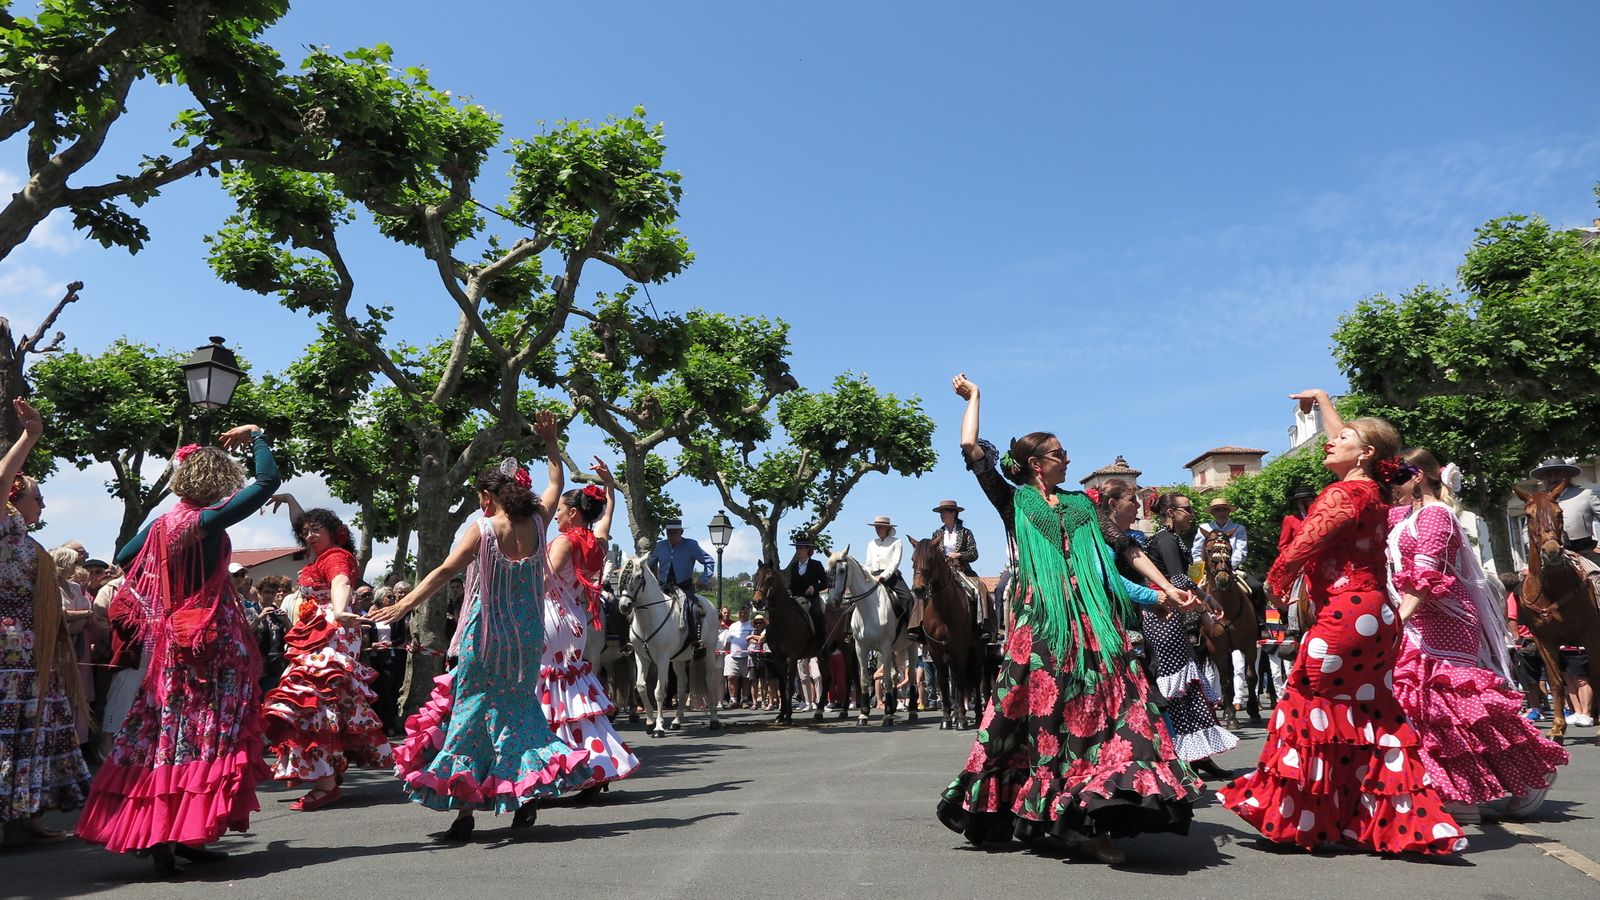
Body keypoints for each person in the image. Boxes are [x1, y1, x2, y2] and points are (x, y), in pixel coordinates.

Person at [937, 375, 1203, 865]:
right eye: (1059, 453)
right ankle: (1057, 816)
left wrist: (1168, 589)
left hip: (1094, 622)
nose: (1068, 459)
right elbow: (972, 447)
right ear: (1036, 464)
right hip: (1042, 624)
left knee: (1120, 706)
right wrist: (975, 397)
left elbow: (1125, 549)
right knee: (1042, 718)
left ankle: (1097, 812)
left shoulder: (1085, 505)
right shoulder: (1014, 499)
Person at [1217, 388, 1464, 854]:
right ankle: (1394, 823)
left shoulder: (1344, 492)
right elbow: (1355, 443)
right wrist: (1324, 402)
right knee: (1368, 714)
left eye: (1342, 438)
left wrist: (1276, 583)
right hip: (1377, 615)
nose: (1331, 441)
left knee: (1309, 706)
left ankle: (1300, 819)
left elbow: (1301, 546)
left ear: (1365, 454)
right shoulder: (1373, 488)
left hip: (1344, 615)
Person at [76, 424, 279, 874]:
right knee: (205, 736)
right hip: (210, 640)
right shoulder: (205, 521)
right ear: (218, 481)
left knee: (167, 732)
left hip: (172, 643)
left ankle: (176, 835)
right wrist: (258, 435)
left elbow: (124, 557)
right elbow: (267, 481)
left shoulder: (164, 524)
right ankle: (179, 832)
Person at [378, 437, 593, 839]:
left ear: (488, 496)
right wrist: (550, 443)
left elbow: (445, 571)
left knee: (471, 718)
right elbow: (556, 482)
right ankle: (525, 797)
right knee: (519, 714)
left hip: (486, 636)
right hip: (526, 637)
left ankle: (464, 815)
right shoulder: (538, 522)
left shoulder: (484, 530)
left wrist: (404, 604)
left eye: (481, 497)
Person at [1387, 448, 1568, 823]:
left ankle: (1533, 772)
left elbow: (1426, 572)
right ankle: (1460, 790)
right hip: (1417, 618)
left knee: (1460, 704)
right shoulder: (1402, 515)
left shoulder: (1436, 515)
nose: (1389, 485)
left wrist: (1399, 617)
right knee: (1426, 707)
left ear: (1417, 476)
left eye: (1396, 476)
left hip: (1445, 618)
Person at [260, 495, 391, 810]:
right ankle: (329, 771)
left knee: (315, 699)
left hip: (331, 629)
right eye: (306, 531)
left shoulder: (335, 557)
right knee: (323, 700)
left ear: (334, 532)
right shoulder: (318, 555)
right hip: (318, 630)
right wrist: (291, 500)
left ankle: (326, 782)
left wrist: (341, 609)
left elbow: (341, 581)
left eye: (316, 529)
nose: (309, 535)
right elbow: (301, 524)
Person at [0, 398, 90, 848]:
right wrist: (29, 436)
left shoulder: (27, 541)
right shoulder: (6, 529)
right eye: (38, 496)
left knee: (30, 730)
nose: (43, 504)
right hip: (10, 646)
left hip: (31, 647)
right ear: (16, 500)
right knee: (13, 730)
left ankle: (25, 814)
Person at [535, 459, 639, 794]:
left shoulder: (564, 542)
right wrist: (609, 487)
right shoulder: (598, 544)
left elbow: (542, 581)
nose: (557, 516)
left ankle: (552, 769)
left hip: (551, 616)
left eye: (560, 511)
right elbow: (607, 517)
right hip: (576, 619)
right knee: (572, 693)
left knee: (546, 693)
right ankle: (595, 764)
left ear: (573, 513)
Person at [1143, 493, 1238, 779]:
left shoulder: (1175, 538)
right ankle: (1180, 756)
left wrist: (1206, 596)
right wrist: (1205, 603)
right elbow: (1177, 578)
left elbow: (1187, 576)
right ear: (1171, 512)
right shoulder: (1165, 539)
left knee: (1188, 686)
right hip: (1164, 614)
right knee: (1177, 687)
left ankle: (1198, 754)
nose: (1192, 513)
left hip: (1176, 609)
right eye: (1187, 509)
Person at [648, 518, 715, 648]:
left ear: (681, 532)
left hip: (684, 587)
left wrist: (703, 579)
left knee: (694, 609)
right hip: (663, 587)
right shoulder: (660, 546)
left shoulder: (691, 545)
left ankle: (696, 641)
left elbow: (709, 562)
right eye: (669, 532)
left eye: (675, 532)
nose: (671, 535)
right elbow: (649, 565)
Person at [928, 499, 987, 640]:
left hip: (962, 569)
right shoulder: (936, 533)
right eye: (941, 512)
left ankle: (984, 626)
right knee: (923, 591)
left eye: (944, 512)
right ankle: (919, 627)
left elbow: (974, 554)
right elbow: (932, 554)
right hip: (942, 572)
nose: (941, 515)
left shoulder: (966, 532)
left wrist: (959, 555)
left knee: (981, 589)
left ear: (953, 513)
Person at [864, 516, 916, 632]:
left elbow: (895, 563)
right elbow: (868, 563)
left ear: (887, 528)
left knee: (908, 598)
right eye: (876, 527)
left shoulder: (896, 542)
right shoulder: (871, 543)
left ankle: (912, 629)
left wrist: (883, 575)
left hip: (891, 575)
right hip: (873, 575)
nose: (877, 530)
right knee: (857, 596)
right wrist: (866, 575)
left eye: (880, 527)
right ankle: (849, 631)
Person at [785, 537, 830, 643]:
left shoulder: (816, 564)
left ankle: (821, 642)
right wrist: (789, 590)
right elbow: (793, 585)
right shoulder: (794, 566)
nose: (798, 551)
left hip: (812, 598)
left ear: (808, 549)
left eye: (801, 548)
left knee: (816, 612)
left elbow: (825, 583)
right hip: (796, 599)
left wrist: (814, 588)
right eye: (797, 548)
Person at [1189, 497, 1247, 567]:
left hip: (1231, 567)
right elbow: (1197, 550)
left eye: (1224, 509)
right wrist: (1200, 567)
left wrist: (1226, 566)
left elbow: (1241, 552)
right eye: (1217, 510)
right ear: (1212, 513)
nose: (1221, 513)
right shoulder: (1204, 528)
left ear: (1229, 512)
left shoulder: (1239, 529)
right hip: (1206, 568)